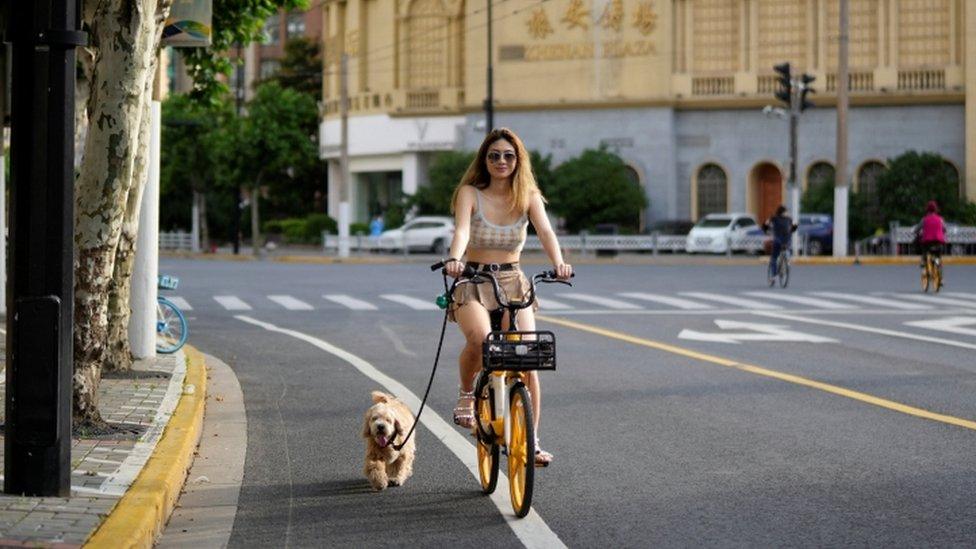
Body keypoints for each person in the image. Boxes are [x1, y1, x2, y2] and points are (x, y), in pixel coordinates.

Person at [443, 127, 573, 466]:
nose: (501, 161)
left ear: (518, 160)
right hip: (473, 277)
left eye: (508, 156)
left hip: (513, 280)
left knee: (527, 355)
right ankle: (467, 394)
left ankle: (531, 441)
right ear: (484, 160)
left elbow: (545, 231)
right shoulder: (470, 192)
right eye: (494, 155)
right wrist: (454, 259)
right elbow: (463, 230)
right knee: (480, 340)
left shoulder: (527, 194)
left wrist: (559, 264)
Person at [913, 200, 947, 279]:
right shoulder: (940, 219)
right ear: (936, 210)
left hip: (927, 242)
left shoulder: (924, 219)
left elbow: (917, 229)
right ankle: (940, 277)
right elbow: (945, 229)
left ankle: (923, 260)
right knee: (938, 256)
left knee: (924, 250)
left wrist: (916, 232)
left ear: (927, 210)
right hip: (939, 241)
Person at [762, 205, 798, 277]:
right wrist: (791, 231)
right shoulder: (789, 219)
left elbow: (765, 224)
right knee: (787, 250)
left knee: (774, 257)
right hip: (787, 240)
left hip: (777, 240)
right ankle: (786, 262)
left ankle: (773, 275)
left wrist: (766, 231)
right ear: (784, 212)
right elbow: (795, 225)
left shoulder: (773, 218)